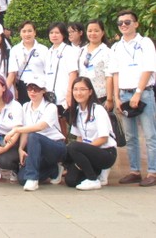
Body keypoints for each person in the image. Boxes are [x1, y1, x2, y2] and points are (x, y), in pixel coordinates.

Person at [110, 10, 156, 186]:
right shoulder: (116, 46)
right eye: (120, 23)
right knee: (130, 136)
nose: (123, 25)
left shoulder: (145, 43)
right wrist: (116, 97)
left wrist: (138, 92)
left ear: (136, 24)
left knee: (150, 134)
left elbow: (149, 68)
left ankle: (152, 172)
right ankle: (134, 170)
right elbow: (115, 73)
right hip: (124, 93)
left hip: (143, 93)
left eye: (127, 22)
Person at [8, 76, 66, 191]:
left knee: (34, 136)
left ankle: (33, 179)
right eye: (30, 88)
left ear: (43, 90)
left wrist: (16, 130)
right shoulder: (25, 107)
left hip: (55, 146)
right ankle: (53, 170)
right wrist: (20, 148)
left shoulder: (51, 107)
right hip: (36, 149)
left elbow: (39, 127)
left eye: (36, 89)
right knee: (22, 178)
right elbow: (26, 129)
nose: (32, 92)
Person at [65, 76, 118, 190]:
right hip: (89, 152)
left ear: (90, 92)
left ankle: (93, 179)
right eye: (75, 89)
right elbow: (79, 138)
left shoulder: (98, 109)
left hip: (106, 152)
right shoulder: (77, 111)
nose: (78, 93)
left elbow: (103, 138)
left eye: (82, 89)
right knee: (71, 180)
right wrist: (79, 155)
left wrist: (83, 150)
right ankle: (96, 173)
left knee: (73, 146)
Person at [79, 19, 113, 109]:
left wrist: (109, 99)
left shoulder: (107, 52)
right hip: (82, 95)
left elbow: (109, 76)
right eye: (90, 31)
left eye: (96, 31)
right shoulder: (81, 50)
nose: (92, 33)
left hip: (100, 95)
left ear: (102, 33)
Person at [10, 21, 48, 102]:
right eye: (24, 31)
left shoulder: (43, 49)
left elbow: (47, 70)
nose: (27, 34)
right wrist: (14, 89)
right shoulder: (15, 50)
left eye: (30, 31)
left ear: (35, 32)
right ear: (20, 34)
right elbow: (13, 72)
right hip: (23, 87)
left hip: (39, 86)